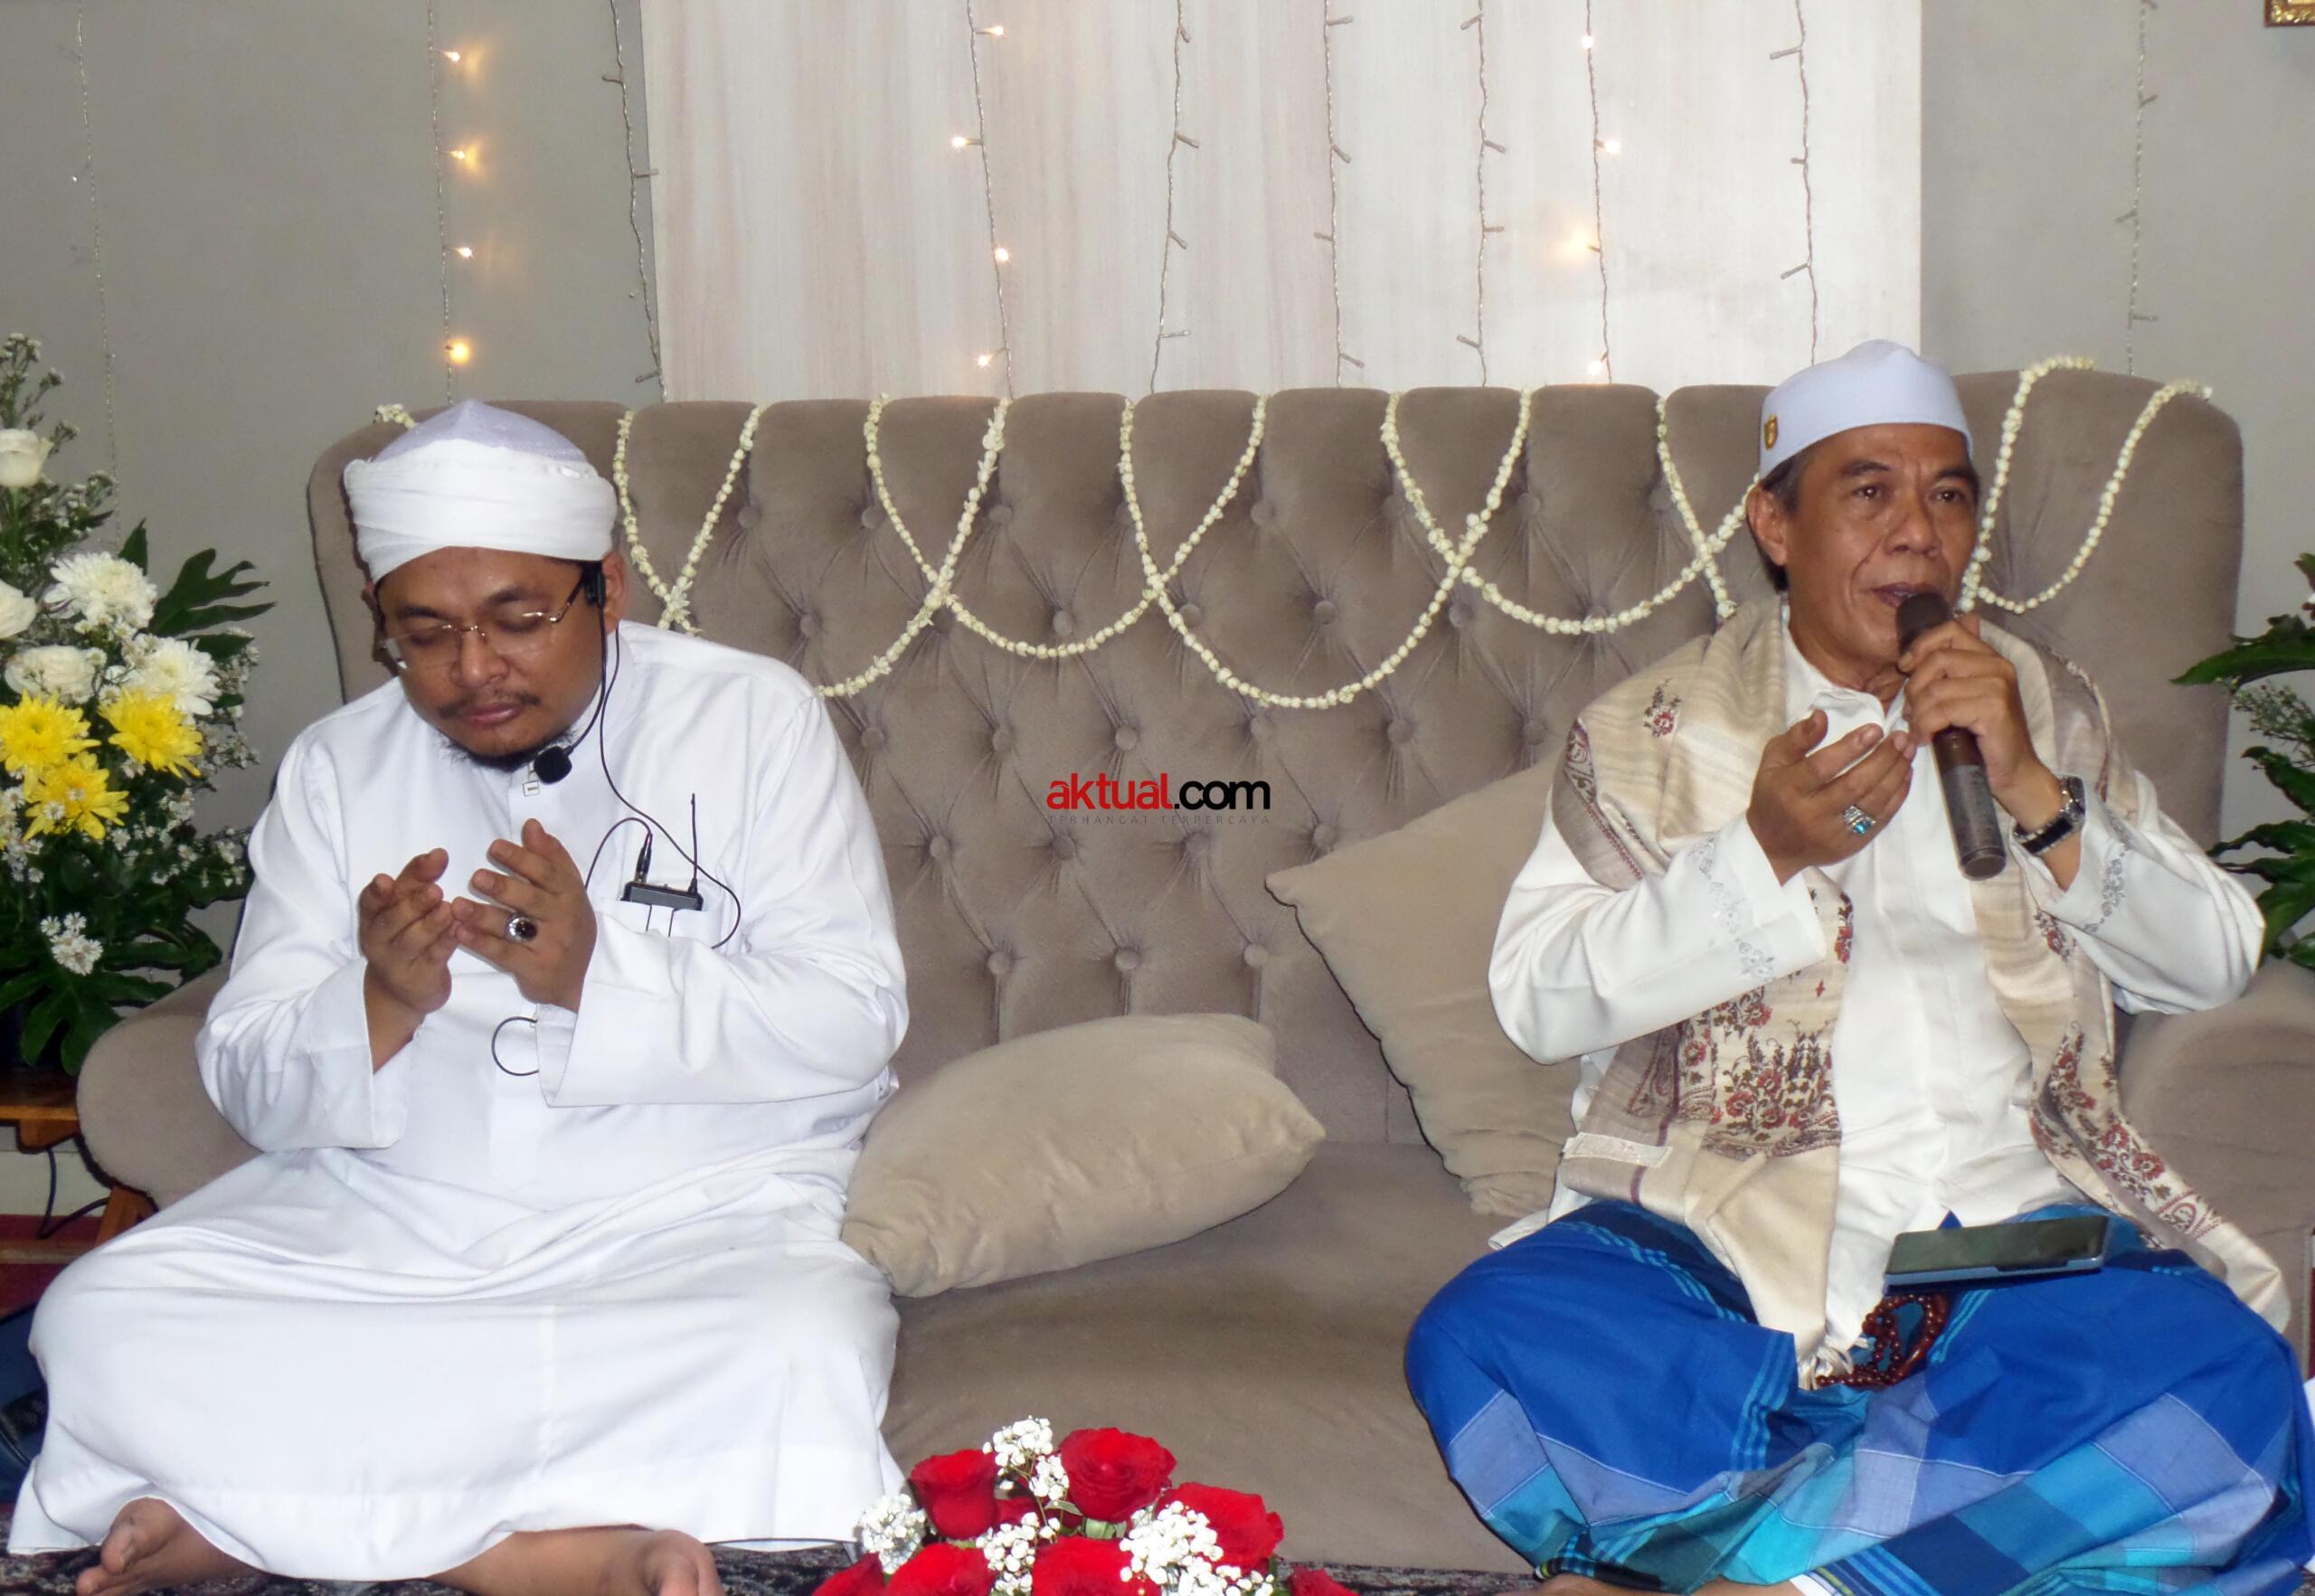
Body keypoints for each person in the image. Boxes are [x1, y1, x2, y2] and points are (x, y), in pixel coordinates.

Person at [1405, 343, 2314, 1593]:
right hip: (1724, 1227)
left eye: (1948, 496)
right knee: (1484, 1335)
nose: (1918, 533)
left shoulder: (2039, 705)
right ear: (1775, 525)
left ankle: (1764, 1572)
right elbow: (1539, 996)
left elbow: (2213, 960)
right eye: (1870, 490)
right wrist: (1762, 855)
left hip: (2002, 1230)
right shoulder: (1656, 731)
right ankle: (1885, 1556)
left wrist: (2033, 789)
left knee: (2227, 1378)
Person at [9, 401, 911, 1596]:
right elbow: (245, 1068)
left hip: (688, 1218)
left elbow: (854, 1014)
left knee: (796, 1342)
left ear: (607, 589)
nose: (471, 669)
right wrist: (379, 1002)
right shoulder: (338, 765)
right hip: (394, 1220)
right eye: (424, 633)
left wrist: (595, 977)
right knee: (104, 1315)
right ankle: (537, 1554)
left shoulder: (751, 720)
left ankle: (268, 1523)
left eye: (517, 620)